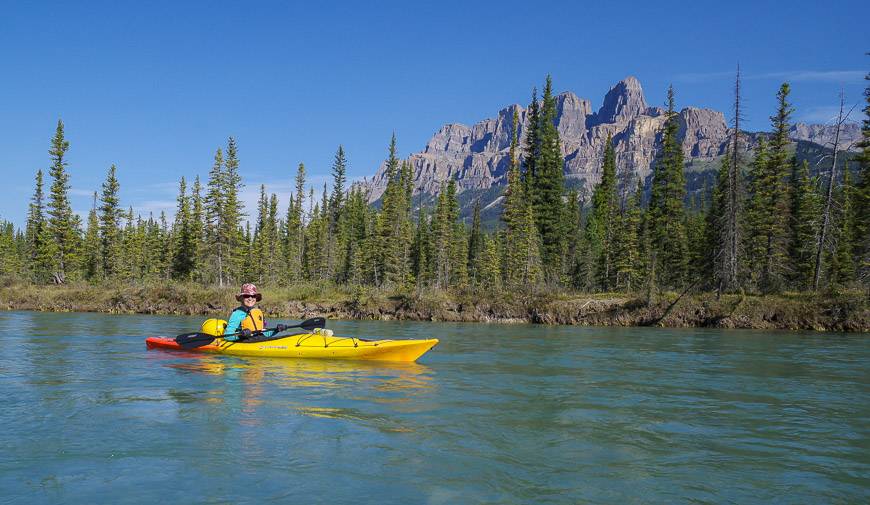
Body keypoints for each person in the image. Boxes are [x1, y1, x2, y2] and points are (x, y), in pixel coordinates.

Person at [223, 283, 288, 341]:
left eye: (253, 296)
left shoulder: (257, 313)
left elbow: (264, 333)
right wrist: (241, 335)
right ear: (241, 298)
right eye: (246, 296)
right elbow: (227, 336)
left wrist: (276, 330)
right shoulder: (237, 314)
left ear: (256, 298)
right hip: (245, 343)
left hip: (259, 341)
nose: (250, 298)